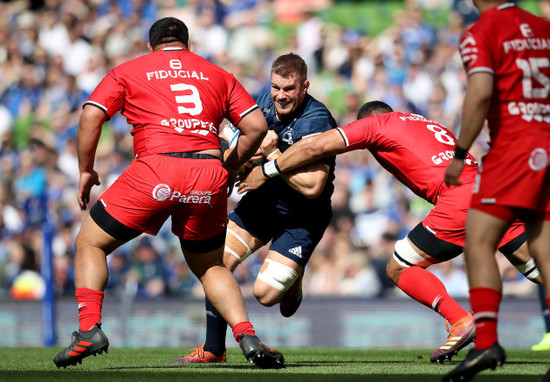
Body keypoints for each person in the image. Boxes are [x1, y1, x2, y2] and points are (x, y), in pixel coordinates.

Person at [52, 17, 284, 370]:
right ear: (187, 45)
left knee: (90, 243)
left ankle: (88, 330)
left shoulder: (129, 70)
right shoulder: (216, 73)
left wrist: (86, 170)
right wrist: (229, 166)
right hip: (208, 172)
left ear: (151, 45)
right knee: (210, 266)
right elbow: (256, 127)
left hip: (156, 169)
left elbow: (90, 115)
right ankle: (247, 335)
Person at [238, 100, 542, 364]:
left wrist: (268, 169)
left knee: (400, 266)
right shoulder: (423, 122)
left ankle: (459, 320)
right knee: (538, 270)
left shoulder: (377, 124)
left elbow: (317, 145)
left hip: (460, 201)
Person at [172, 53, 337, 364]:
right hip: (261, 204)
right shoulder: (260, 103)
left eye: (289, 89)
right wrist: (241, 157)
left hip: (303, 216)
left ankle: (294, 280)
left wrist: (273, 155)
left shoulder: (317, 120)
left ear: (305, 86)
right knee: (215, 264)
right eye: (276, 87)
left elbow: (313, 186)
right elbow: (228, 135)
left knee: (266, 296)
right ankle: (213, 350)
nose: (281, 96)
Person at [442, 1, 550, 381]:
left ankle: (487, 341)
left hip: (514, 149)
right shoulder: (543, 27)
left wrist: (459, 153)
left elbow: (481, 91)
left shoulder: (481, 32)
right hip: (548, 144)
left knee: (478, 241)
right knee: (546, 250)